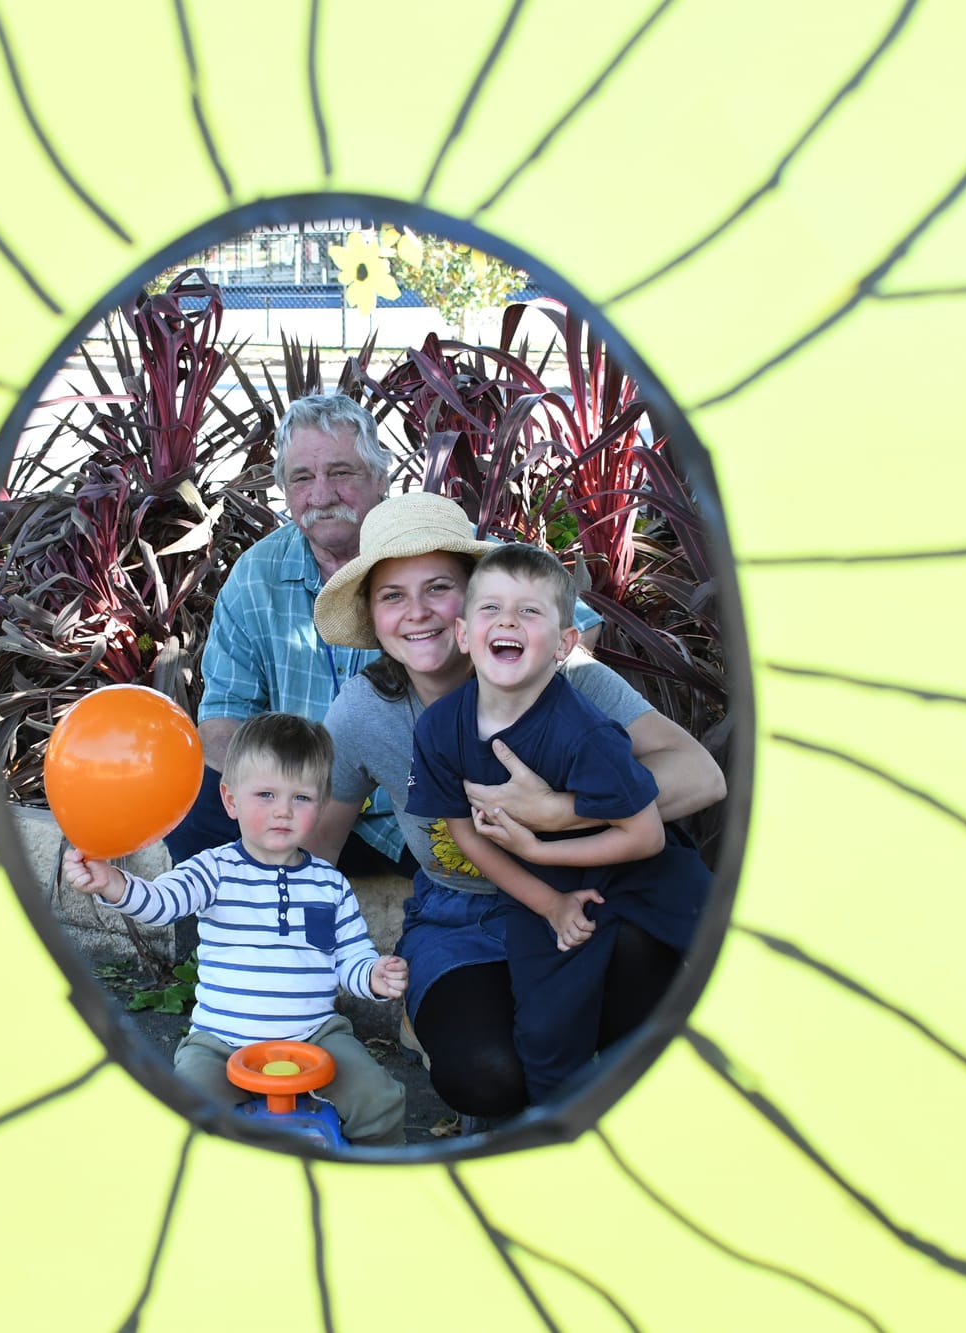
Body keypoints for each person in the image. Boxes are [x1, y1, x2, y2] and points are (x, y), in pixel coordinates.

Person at [308, 493, 724, 1120]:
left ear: (473, 604)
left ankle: (616, 1096)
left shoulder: (565, 677)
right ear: (372, 614)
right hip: (463, 914)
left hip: (588, 888)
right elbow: (316, 852)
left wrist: (560, 812)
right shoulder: (365, 712)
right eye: (392, 595)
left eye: (439, 587)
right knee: (488, 1076)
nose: (415, 612)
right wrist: (312, 974)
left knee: (638, 980)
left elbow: (700, 775)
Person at [165, 392, 601, 872]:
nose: (322, 494)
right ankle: (248, 938)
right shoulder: (256, 575)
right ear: (284, 491)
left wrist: (497, 734)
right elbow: (224, 718)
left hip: (418, 808)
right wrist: (280, 792)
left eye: (341, 473)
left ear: (380, 477)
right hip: (302, 806)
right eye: (302, 478)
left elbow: (576, 625)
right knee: (196, 810)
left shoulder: (440, 548)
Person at [407, 543, 713, 1104]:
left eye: (529, 611)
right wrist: (549, 902)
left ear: (565, 644)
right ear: (463, 634)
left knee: (723, 967)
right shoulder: (439, 730)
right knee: (547, 1037)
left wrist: (541, 848)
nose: (507, 621)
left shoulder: (585, 732)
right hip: (542, 893)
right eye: (491, 609)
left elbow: (643, 836)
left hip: (646, 874)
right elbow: (463, 831)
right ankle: (558, 1147)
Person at [62, 712, 409, 1146]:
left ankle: (384, 1187)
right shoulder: (215, 870)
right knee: (186, 1107)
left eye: (301, 798)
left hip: (315, 1035)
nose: (283, 810)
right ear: (230, 800)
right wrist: (114, 884)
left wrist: (373, 976)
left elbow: (349, 959)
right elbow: (163, 902)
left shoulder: (329, 884)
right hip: (221, 1041)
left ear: (322, 805)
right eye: (266, 794)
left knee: (378, 1099)